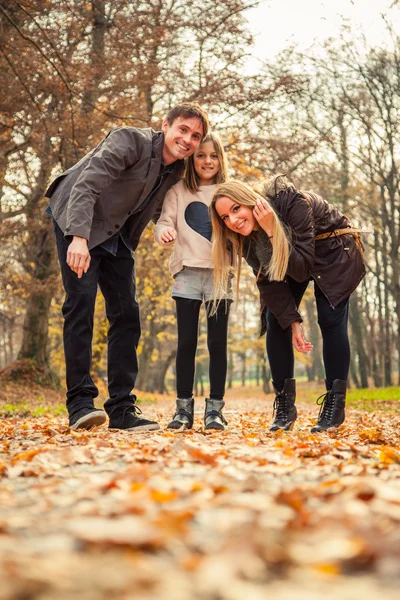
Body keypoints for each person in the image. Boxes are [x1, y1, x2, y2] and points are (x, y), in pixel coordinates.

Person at [45, 102, 209, 432]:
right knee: (80, 304)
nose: (188, 139)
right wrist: (77, 237)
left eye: (196, 136)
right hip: (78, 220)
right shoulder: (128, 141)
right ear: (166, 125)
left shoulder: (176, 171)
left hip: (117, 236)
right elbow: (86, 184)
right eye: (183, 130)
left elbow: (166, 212)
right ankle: (79, 404)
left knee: (127, 313)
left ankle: (121, 409)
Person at [210, 176, 366, 433]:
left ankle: (334, 406)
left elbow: (302, 269)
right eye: (225, 217)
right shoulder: (241, 237)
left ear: (250, 201)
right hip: (292, 256)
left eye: (236, 208)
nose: (233, 221)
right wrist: (293, 322)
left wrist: (271, 229)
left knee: (330, 318)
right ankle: (284, 406)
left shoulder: (290, 201)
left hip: (333, 248)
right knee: (275, 320)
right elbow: (269, 283)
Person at [154, 132, 231, 430]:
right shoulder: (178, 191)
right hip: (187, 274)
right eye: (201, 155)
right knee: (186, 343)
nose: (207, 161)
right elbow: (164, 221)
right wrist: (163, 232)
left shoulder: (229, 192)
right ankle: (182, 410)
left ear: (220, 159)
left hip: (221, 276)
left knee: (217, 343)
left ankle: (215, 410)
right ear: (191, 159)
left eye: (213, 155)